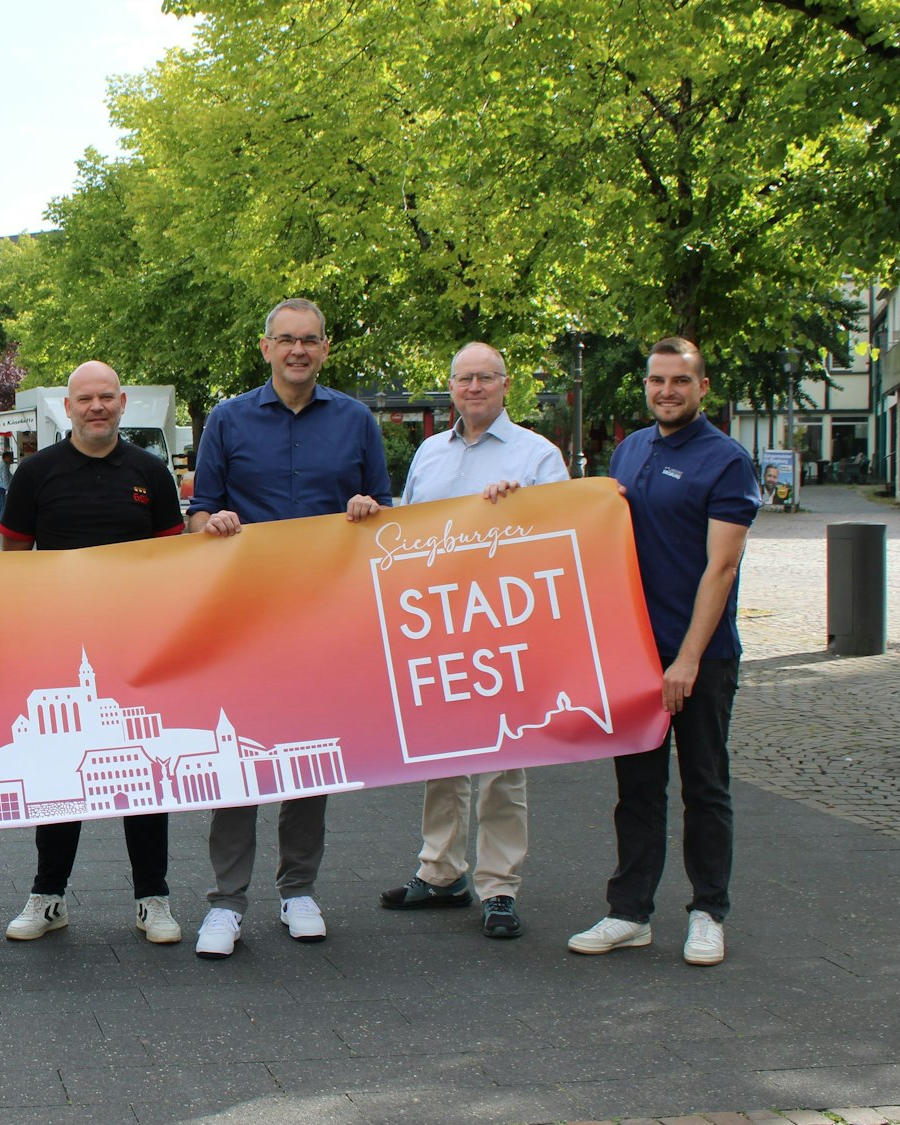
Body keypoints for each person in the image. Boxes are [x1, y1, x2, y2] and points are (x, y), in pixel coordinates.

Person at [184, 296, 392, 959]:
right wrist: (210, 523)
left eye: (310, 340)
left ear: (325, 349)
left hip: (323, 616)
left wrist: (368, 510)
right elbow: (197, 513)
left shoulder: (356, 420)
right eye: (286, 339)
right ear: (266, 346)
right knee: (238, 755)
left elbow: (384, 511)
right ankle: (226, 901)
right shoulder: (229, 419)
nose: (298, 349)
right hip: (247, 615)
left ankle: (298, 889)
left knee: (309, 757)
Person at [570, 336, 758, 967]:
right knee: (638, 789)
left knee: (705, 786)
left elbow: (721, 569)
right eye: (657, 381)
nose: (667, 391)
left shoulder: (726, 461)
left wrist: (686, 659)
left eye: (680, 381)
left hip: (699, 656)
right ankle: (630, 913)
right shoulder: (629, 450)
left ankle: (709, 912)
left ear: (703, 388)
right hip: (634, 653)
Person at [376, 343, 569, 940]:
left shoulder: (538, 455)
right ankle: (440, 872)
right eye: (465, 378)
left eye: (487, 377)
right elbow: (405, 531)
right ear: (451, 386)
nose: (475, 387)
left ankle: (500, 886)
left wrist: (524, 511)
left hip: (505, 624)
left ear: (506, 385)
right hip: (438, 624)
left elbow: (565, 532)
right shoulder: (430, 453)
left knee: (506, 759)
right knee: (443, 753)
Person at [0, 361, 187, 944]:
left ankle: (152, 898)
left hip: (135, 646)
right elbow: (13, 563)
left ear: (123, 403)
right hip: (62, 646)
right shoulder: (36, 473)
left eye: (107, 397)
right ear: (68, 408)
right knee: (58, 773)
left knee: (144, 773)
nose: (97, 406)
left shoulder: (151, 474)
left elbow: (172, 561)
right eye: (86, 398)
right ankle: (48, 896)